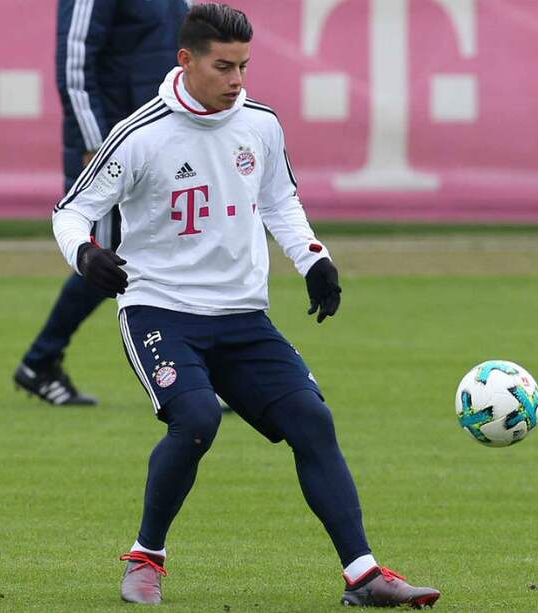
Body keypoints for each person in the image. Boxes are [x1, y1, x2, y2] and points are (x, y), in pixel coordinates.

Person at [52, 3, 442, 607]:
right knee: (199, 419)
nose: (237, 80)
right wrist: (84, 254)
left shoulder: (259, 123)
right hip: (159, 309)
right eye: (224, 66)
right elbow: (70, 211)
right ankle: (145, 558)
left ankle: (363, 576)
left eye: (244, 66)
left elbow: (281, 202)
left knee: (313, 421)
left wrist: (314, 259)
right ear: (186, 61)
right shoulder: (140, 134)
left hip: (241, 316)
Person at [13, 0, 190, 405]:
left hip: (165, 138)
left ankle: (197, 372)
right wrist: (97, 141)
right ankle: (40, 361)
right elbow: (74, 66)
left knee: (178, 245)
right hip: (112, 141)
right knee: (109, 255)